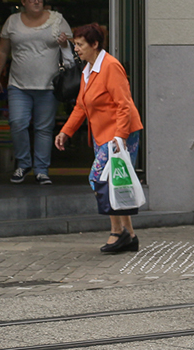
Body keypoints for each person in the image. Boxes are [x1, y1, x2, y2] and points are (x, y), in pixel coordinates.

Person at [54, 23, 144, 254]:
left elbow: (124, 104)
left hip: (119, 133)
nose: (76, 49)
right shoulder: (89, 69)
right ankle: (129, 235)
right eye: (75, 44)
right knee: (114, 182)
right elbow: (81, 106)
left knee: (99, 179)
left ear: (94, 44)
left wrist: (120, 137)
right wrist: (66, 131)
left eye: (80, 44)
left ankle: (118, 232)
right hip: (103, 134)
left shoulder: (110, 66)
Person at [0, 0, 71, 185]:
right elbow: (2, 51)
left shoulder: (57, 20)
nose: (36, 1)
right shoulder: (12, 21)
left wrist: (65, 43)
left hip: (48, 85)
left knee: (44, 129)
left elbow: (72, 48)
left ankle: (41, 170)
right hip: (18, 85)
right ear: (23, 1)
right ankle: (24, 164)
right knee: (17, 123)